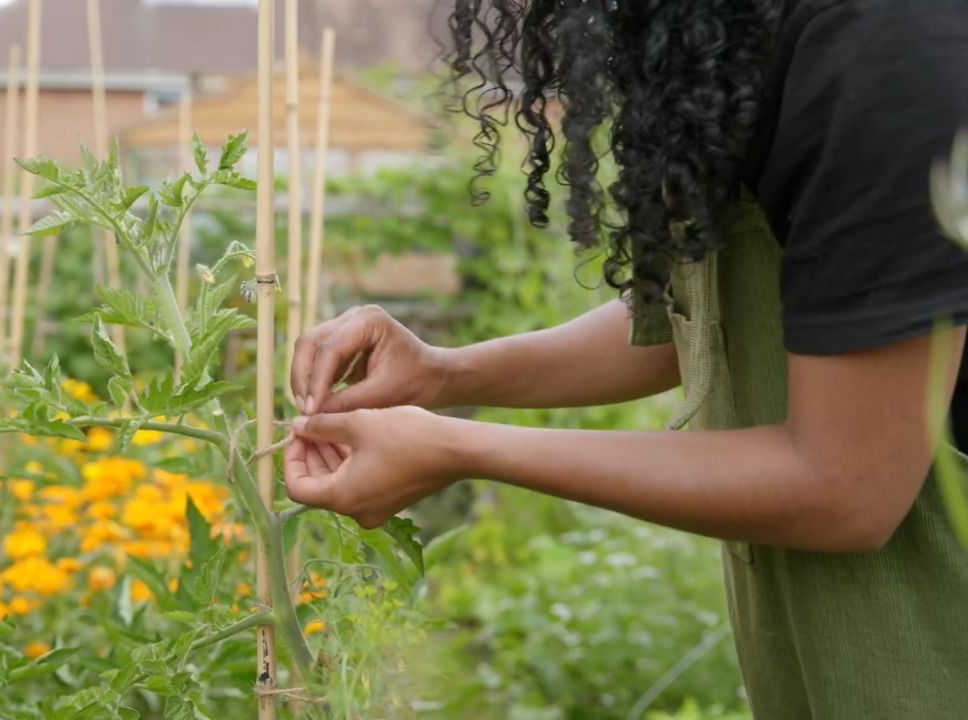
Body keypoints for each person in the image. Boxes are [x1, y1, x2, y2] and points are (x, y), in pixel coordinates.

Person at [283, 1, 968, 717]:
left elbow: (846, 488)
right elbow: (706, 322)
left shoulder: (886, 46)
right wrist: (444, 374)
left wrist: (457, 445)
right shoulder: (728, 33)